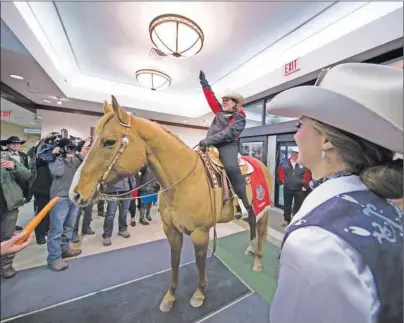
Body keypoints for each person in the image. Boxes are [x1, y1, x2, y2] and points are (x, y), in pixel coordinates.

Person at [266, 63, 403, 323]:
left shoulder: (316, 242)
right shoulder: (389, 206)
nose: (296, 137)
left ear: (326, 139)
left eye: (300, 125)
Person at [199, 70, 256, 239]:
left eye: (227, 100)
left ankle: (243, 204)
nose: (223, 102)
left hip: (228, 145)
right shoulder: (219, 111)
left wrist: (209, 140)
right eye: (223, 100)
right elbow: (211, 98)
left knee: (231, 167)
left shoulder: (239, 117)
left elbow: (229, 133)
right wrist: (204, 83)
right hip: (210, 143)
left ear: (235, 103)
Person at [47, 141, 83, 271]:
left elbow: (86, 165)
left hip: (73, 196)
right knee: (56, 229)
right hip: (60, 198)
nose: (70, 151)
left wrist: (78, 152)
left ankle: (65, 249)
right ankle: (53, 258)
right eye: (68, 148)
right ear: (61, 149)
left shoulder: (76, 160)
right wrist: (59, 157)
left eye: (72, 148)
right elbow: (57, 172)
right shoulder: (54, 160)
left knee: (69, 226)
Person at [0, 150, 33, 278]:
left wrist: (14, 166)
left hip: (10, 203)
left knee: (8, 236)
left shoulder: (8, 158)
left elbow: (28, 175)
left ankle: (6, 265)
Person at [277, 147, 311, 226]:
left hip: (300, 189)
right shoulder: (285, 162)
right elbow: (280, 172)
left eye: (295, 153)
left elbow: (308, 175)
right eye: (292, 152)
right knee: (287, 204)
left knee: (298, 205)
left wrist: (305, 186)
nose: (293, 154)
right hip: (288, 187)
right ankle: (286, 219)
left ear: (299, 154)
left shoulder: (304, 163)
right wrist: (282, 182)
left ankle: (295, 220)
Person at [102, 177, 136, 246]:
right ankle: (107, 235)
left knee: (124, 211)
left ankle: (122, 229)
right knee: (110, 214)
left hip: (127, 188)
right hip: (113, 190)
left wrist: (133, 182)